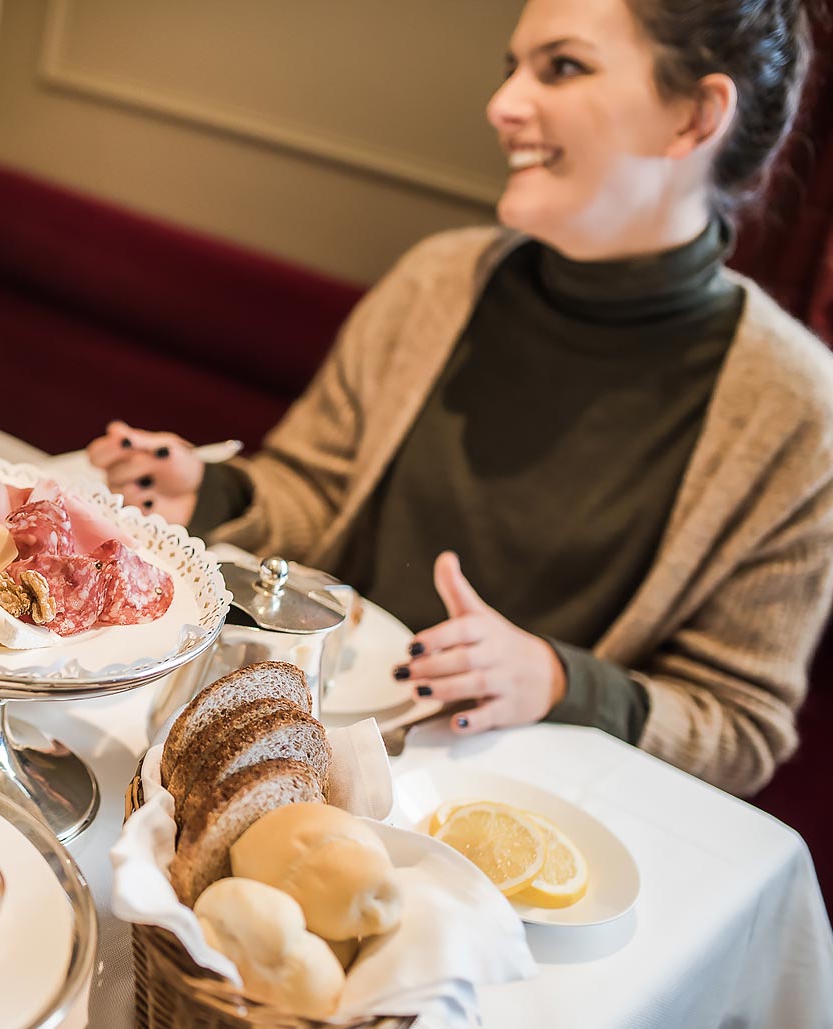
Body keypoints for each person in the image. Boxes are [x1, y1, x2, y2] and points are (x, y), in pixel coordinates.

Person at [87, 0, 832, 796]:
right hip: (299, 754)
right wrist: (211, 490)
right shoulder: (438, 280)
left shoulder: (797, 408)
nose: (503, 105)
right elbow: (318, 490)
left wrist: (559, 681)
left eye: (564, 66)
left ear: (694, 116)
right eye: (512, 68)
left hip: (517, 817)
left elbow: (739, 725)